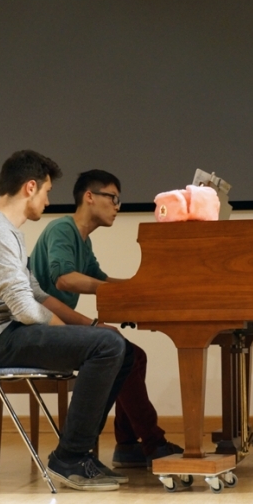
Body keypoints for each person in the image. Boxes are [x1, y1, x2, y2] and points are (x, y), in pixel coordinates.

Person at [0, 151, 134, 491]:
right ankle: (70, 457)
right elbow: (24, 309)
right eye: (46, 191)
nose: (48, 200)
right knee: (108, 346)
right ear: (30, 188)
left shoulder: (8, 232)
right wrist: (74, 330)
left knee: (123, 350)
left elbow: (35, 292)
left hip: (11, 334)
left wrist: (86, 328)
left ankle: (80, 453)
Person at [30, 169, 183, 468]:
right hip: (42, 332)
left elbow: (101, 280)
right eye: (113, 198)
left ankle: (127, 444)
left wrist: (139, 289)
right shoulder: (62, 229)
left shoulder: (83, 241)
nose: (117, 206)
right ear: (89, 196)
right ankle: (150, 442)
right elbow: (65, 279)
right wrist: (124, 292)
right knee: (126, 353)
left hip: (60, 328)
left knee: (134, 356)